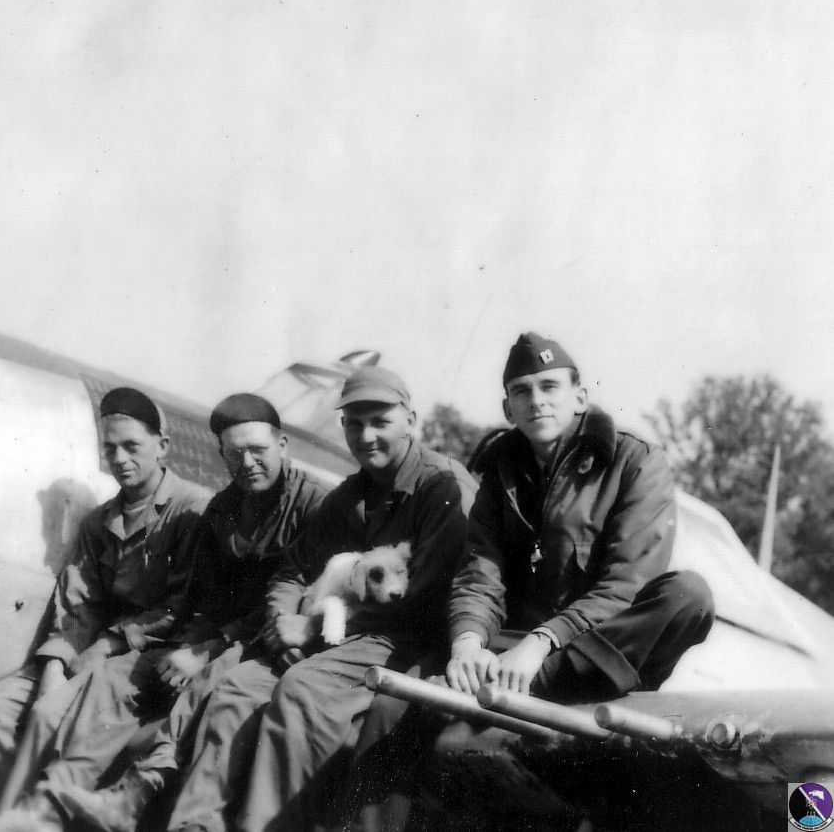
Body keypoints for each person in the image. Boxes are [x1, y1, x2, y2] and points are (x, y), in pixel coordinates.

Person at [165, 366, 474, 832]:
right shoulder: (350, 496)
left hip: (406, 640)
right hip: (340, 633)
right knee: (237, 688)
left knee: (302, 692)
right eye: (354, 423)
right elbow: (293, 570)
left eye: (380, 421)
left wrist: (309, 628)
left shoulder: (443, 486)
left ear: (411, 421)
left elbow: (420, 599)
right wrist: (282, 620)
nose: (365, 436)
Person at [34, 394, 327, 832]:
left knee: (218, 687)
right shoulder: (222, 510)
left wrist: (207, 650)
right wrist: (187, 646)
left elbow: (297, 595)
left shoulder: (317, 506)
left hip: (271, 641)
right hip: (216, 636)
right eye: (234, 454)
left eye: (258, 450)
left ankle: (141, 793)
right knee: (116, 677)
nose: (247, 463)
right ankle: (47, 809)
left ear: (282, 446)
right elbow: (203, 598)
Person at [0, 386, 209, 831]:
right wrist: (54, 665)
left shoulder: (191, 512)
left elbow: (180, 609)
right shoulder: (100, 522)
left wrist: (105, 646)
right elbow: (77, 604)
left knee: (48, 715)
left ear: (163, 446)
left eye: (132, 446)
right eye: (110, 449)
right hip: (90, 653)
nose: (120, 459)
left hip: (143, 659)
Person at [446, 333, 715, 704]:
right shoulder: (498, 469)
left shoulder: (634, 461)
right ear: (508, 410)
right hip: (513, 646)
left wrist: (543, 641)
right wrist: (467, 643)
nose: (536, 400)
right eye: (522, 391)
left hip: (589, 648)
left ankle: (542, 684)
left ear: (580, 398)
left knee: (689, 595)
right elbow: (481, 574)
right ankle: (518, 683)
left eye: (549, 386)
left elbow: (627, 583)